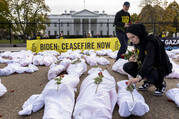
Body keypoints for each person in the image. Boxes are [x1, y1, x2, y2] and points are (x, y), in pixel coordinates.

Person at [123, 24, 172, 96]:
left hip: (159, 67)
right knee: (127, 66)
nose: (131, 40)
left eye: (133, 37)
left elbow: (149, 60)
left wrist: (138, 77)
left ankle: (161, 84)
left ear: (139, 34)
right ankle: (149, 81)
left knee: (150, 72)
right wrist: (134, 58)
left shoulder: (150, 42)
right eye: (129, 38)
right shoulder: (139, 41)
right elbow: (142, 55)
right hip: (148, 65)